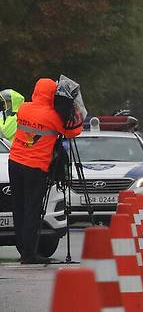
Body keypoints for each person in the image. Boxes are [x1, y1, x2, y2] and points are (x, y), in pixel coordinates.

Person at [9, 78, 82, 264]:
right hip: (35, 167)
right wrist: (75, 110)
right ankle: (29, 254)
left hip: (15, 162)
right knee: (33, 209)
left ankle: (22, 249)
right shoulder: (53, 116)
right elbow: (73, 132)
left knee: (19, 208)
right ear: (52, 94)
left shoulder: (24, 108)